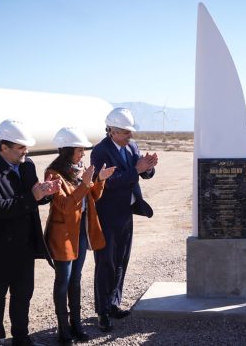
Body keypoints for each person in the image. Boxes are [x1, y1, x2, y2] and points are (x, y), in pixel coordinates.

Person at [0, 119, 61, 346]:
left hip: (24, 246)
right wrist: (33, 197)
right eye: (21, 147)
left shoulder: (27, 166)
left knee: (23, 297)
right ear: (3, 147)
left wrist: (47, 193)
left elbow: (33, 199)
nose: (26, 151)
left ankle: (22, 339)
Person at [44, 127, 116, 344]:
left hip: (81, 233)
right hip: (63, 235)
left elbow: (93, 194)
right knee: (63, 281)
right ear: (67, 150)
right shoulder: (53, 173)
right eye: (79, 150)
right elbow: (65, 205)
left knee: (76, 280)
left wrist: (99, 180)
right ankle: (63, 329)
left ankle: (76, 324)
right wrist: (85, 183)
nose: (83, 154)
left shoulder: (78, 169)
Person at [91, 107, 158, 332]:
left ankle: (114, 304)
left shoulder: (132, 146)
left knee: (121, 260)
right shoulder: (100, 152)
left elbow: (140, 172)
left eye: (130, 131)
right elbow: (108, 182)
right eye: (126, 132)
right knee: (105, 263)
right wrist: (137, 169)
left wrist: (148, 168)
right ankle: (102, 312)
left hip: (126, 214)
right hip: (107, 215)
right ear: (112, 131)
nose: (130, 135)